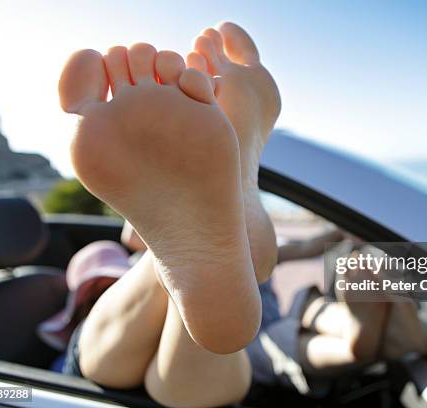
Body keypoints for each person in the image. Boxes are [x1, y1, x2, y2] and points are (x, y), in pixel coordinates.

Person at [58, 22, 280, 407]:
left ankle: (193, 256)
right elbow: (135, 237)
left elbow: (134, 237)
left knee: (168, 258)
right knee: (174, 261)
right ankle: (224, 239)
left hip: (104, 351)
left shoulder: (98, 253)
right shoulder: (96, 256)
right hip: (210, 365)